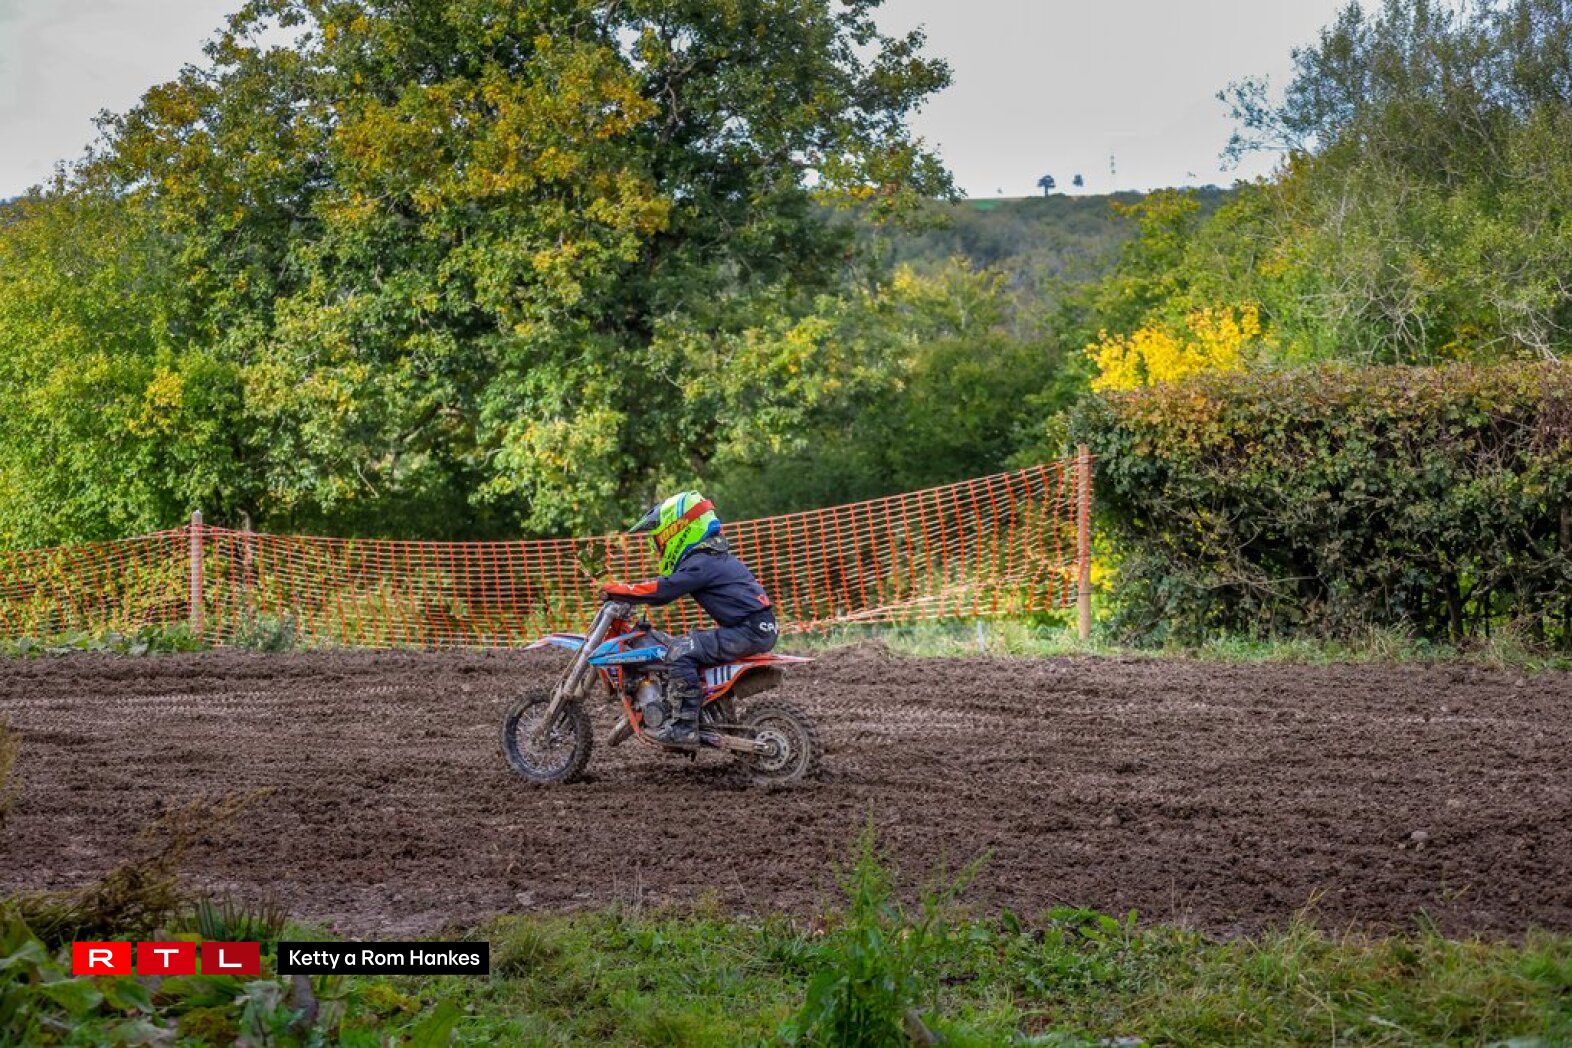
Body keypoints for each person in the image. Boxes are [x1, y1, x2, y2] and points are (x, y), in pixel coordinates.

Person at [601, 491, 777, 748]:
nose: (658, 547)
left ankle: (684, 728)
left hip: (748, 632)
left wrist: (619, 590)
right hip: (754, 629)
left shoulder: (702, 562)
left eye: (659, 539)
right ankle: (698, 710)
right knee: (686, 643)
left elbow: (664, 590)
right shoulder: (711, 557)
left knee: (680, 652)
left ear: (678, 530)